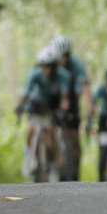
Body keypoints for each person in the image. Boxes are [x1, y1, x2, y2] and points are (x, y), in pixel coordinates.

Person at [16, 43, 70, 181]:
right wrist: (19, 107)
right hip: (36, 106)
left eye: (51, 66)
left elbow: (65, 99)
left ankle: (52, 165)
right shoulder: (34, 74)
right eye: (45, 66)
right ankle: (28, 154)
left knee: (50, 139)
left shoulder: (63, 76)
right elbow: (25, 94)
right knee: (31, 130)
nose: (48, 69)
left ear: (56, 66)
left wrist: (63, 110)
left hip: (51, 108)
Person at [50, 34, 89, 181]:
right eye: (61, 56)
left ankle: (75, 169)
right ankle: (51, 164)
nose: (64, 60)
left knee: (73, 135)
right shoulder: (48, 65)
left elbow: (85, 87)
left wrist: (90, 107)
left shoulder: (76, 65)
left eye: (66, 55)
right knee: (49, 131)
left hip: (71, 101)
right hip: (53, 99)